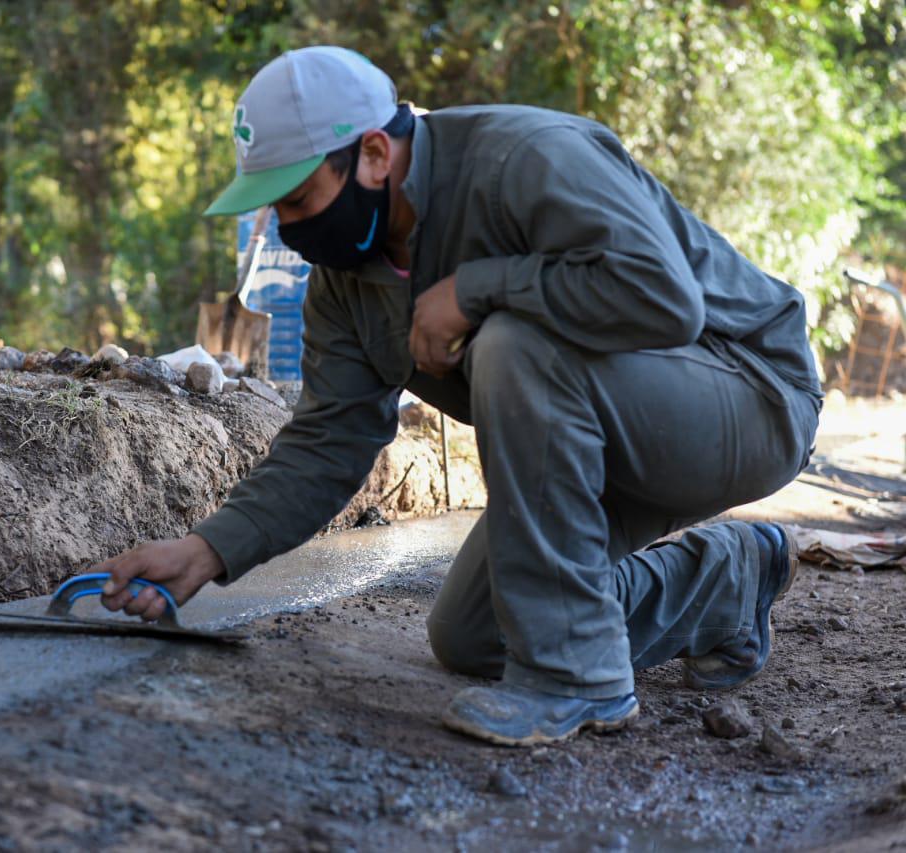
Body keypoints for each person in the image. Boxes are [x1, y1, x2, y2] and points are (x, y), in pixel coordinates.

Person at [92, 45, 822, 746]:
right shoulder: (345, 283)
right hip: (602, 439)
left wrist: (477, 290)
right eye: (275, 209)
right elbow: (328, 441)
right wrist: (207, 551)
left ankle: (576, 676)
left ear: (374, 155)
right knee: (477, 634)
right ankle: (726, 580)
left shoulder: (525, 159)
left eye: (300, 198)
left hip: (747, 392)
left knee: (513, 340)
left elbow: (666, 299)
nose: (291, 226)